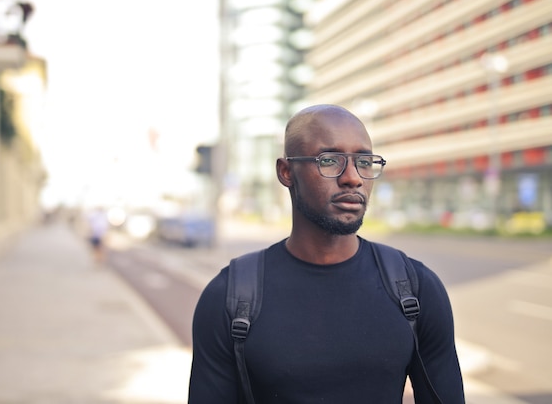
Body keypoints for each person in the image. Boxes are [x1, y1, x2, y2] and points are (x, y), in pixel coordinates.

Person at [188, 104, 464, 403]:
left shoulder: (415, 288)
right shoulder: (230, 297)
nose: (352, 178)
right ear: (286, 171)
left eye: (364, 161)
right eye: (330, 160)